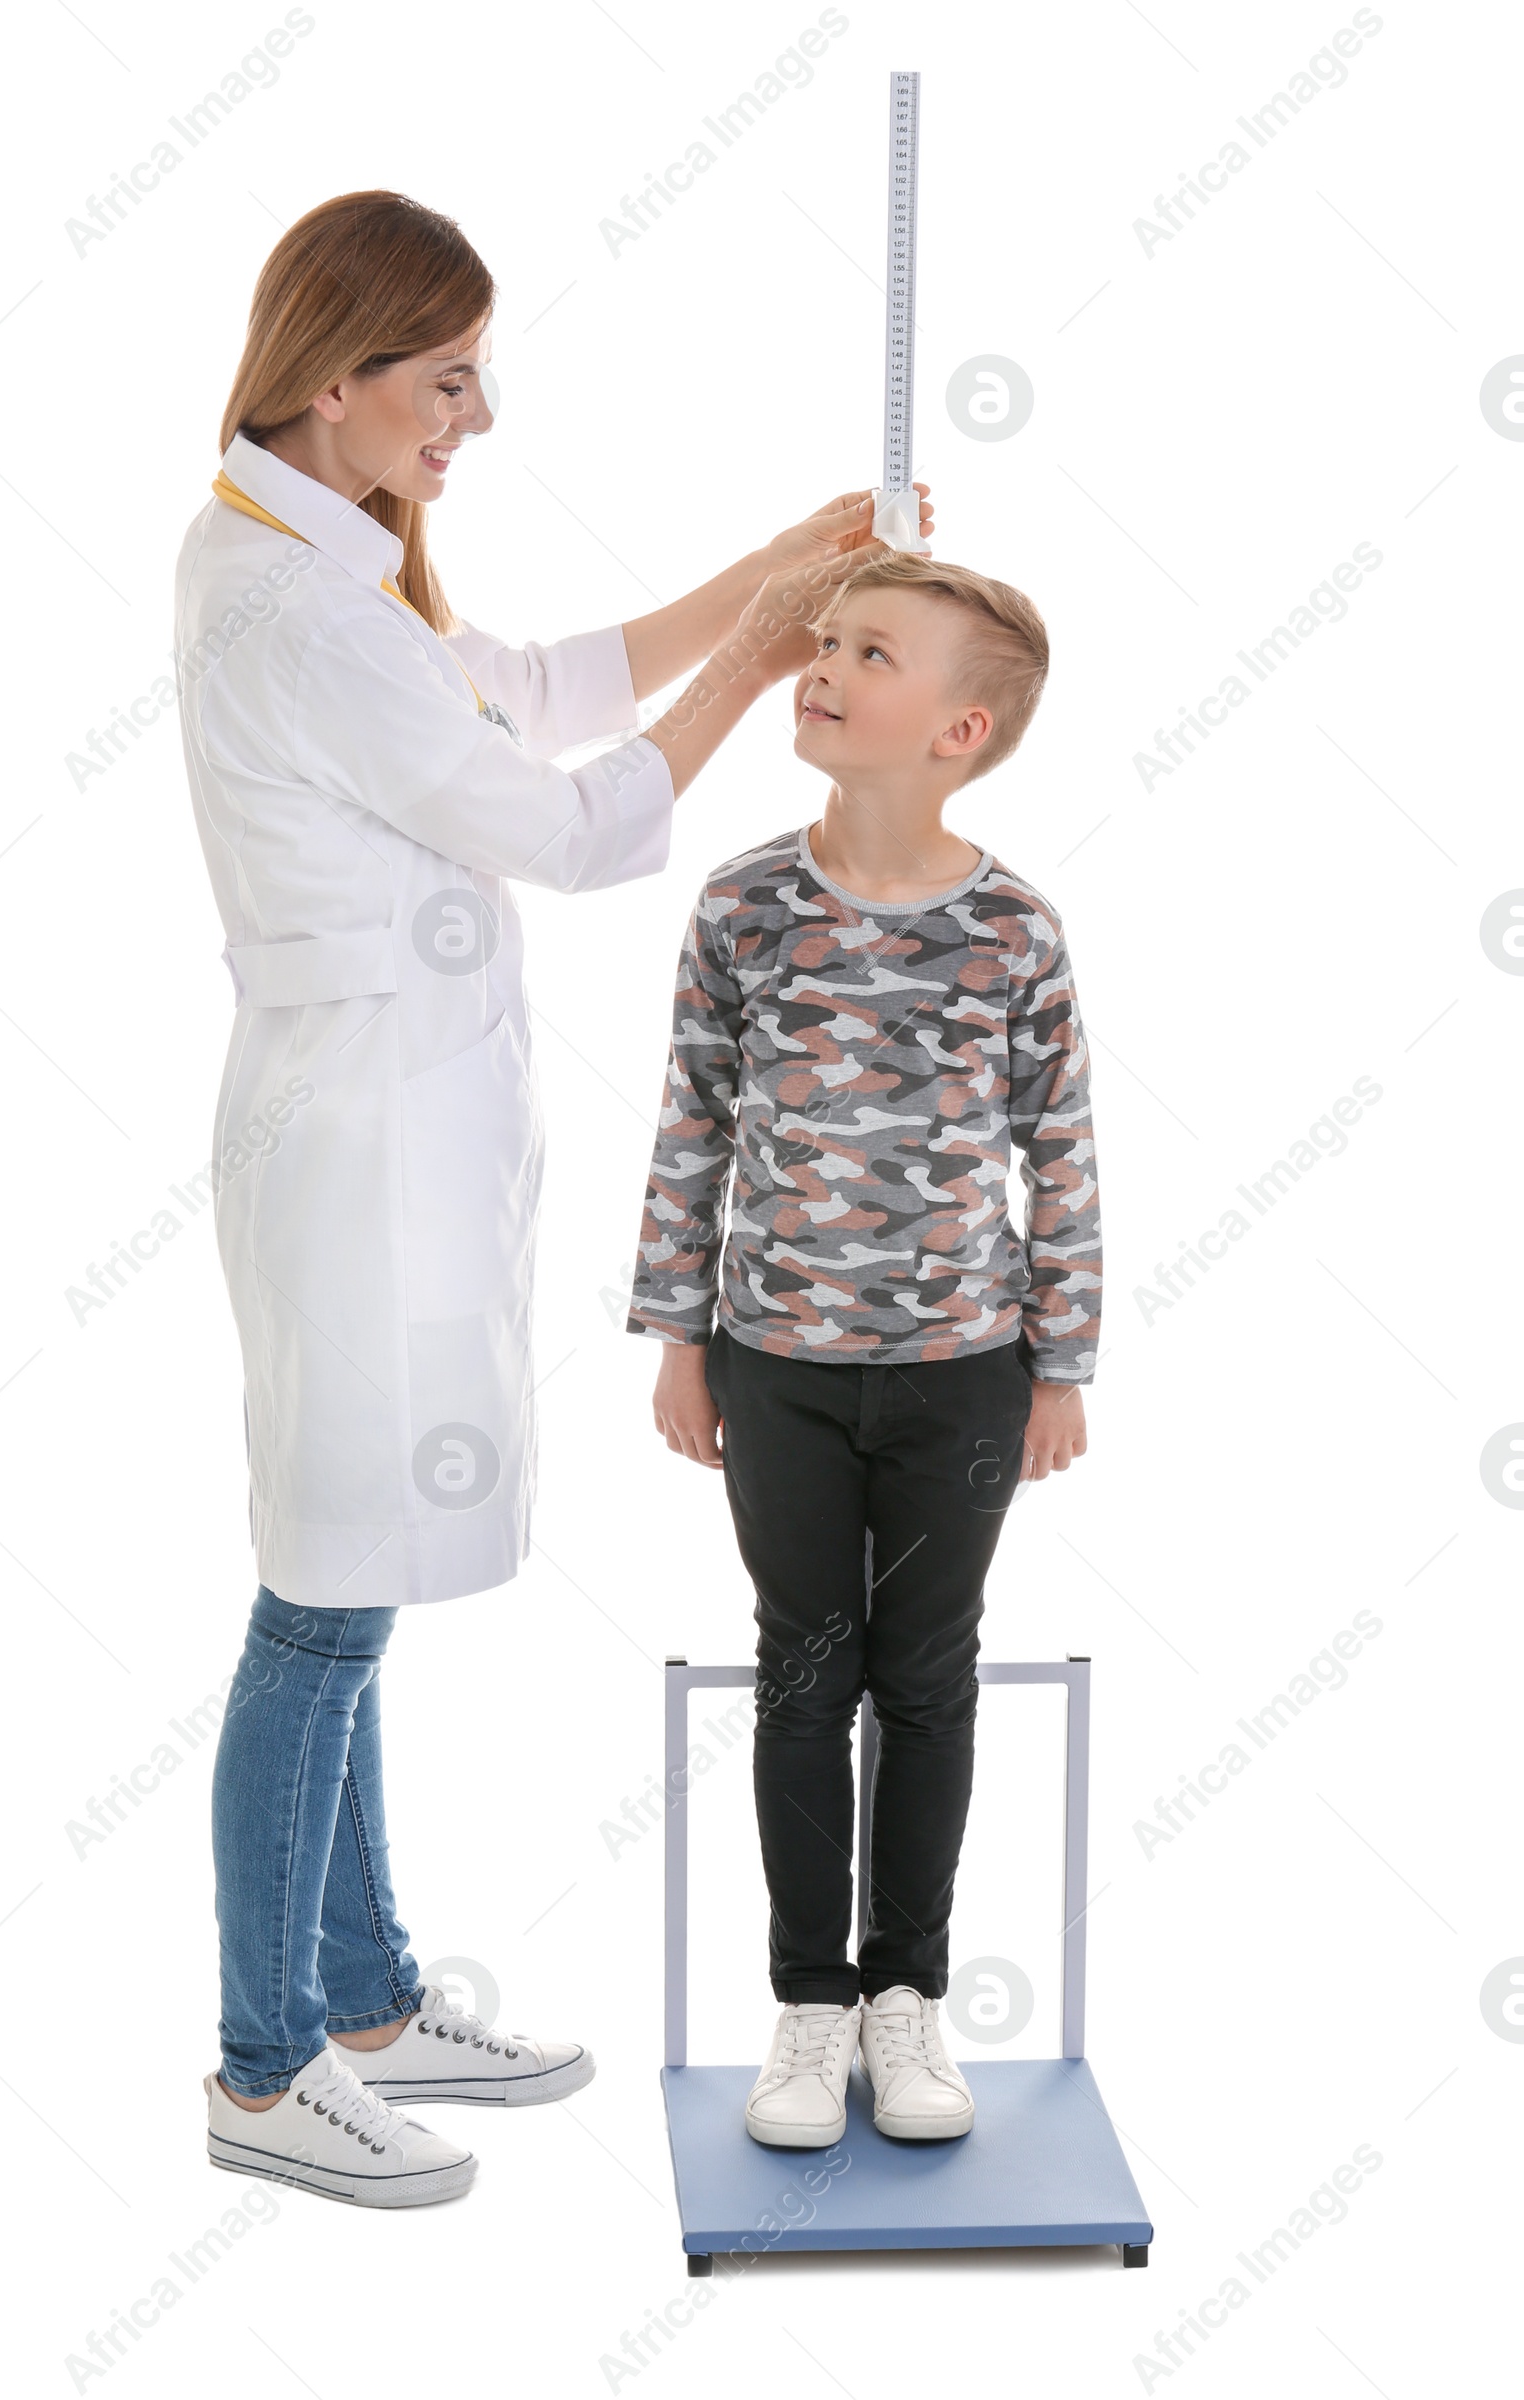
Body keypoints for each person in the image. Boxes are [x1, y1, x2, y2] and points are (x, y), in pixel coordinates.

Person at [176, 187, 927, 2208]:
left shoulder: (321, 555)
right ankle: (264, 2068)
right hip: (350, 1148)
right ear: (335, 384)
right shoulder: (294, 612)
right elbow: (581, 825)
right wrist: (763, 649)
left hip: (393, 1134)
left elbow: (536, 685)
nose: (472, 418)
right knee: (318, 1613)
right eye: (444, 381)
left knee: (348, 1597)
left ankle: (362, 1995)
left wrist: (763, 576)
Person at [626, 549, 1100, 2147]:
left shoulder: (1017, 933)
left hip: (967, 1371)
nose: (821, 664)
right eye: (822, 640)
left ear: (959, 729)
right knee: (801, 1669)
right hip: (778, 1366)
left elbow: (1066, 1152)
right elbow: (691, 1127)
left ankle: (908, 1996)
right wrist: (678, 1339)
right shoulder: (744, 906)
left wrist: (1063, 1362)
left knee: (929, 1672)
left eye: (869, 651)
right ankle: (807, 2006)